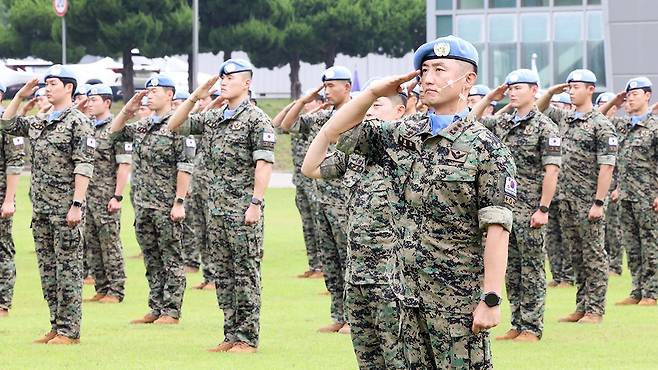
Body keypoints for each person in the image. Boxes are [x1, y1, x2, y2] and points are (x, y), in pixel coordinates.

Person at [317, 35, 516, 368]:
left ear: (469, 80)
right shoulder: (401, 134)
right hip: (402, 297)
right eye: (424, 70)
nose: (428, 78)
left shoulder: (487, 149)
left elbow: (497, 227)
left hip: (455, 300)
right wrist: (371, 94)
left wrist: (491, 298)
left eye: (440, 69)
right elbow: (336, 132)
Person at [167, 59, 276, 353]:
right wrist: (195, 96)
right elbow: (174, 125)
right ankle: (230, 334)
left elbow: (263, 164)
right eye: (221, 77)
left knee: (246, 274)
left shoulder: (256, 119)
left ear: (247, 83)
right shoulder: (214, 118)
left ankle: (247, 338)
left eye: (231, 77)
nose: (224, 81)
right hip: (216, 212)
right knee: (223, 276)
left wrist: (256, 202)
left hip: (242, 211)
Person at [301, 83, 407, 368]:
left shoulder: (407, 148)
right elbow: (310, 168)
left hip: (393, 275)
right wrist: (325, 132)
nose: (370, 111)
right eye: (367, 106)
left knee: (398, 356)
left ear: (400, 111)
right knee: (368, 357)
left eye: (377, 105)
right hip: (358, 272)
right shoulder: (355, 155)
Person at [1, 65, 96, 344]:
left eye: (53, 83)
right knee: (48, 270)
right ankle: (56, 325)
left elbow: (84, 165)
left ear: (69, 88)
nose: (47, 88)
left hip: (66, 208)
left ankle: (70, 331)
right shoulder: (41, 121)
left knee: (68, 269)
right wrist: (19, 96)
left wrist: (77, 203)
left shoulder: (78, 121)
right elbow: (6, 124)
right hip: (42, 209)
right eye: (46, 84)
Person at [474, 69, 561, 342]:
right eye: (509, 87)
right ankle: (517, 322)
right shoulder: (502, 124)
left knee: (532, 269)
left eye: (518, 87)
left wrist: (543, 208)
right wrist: (490, 97)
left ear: (534, 90)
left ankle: (532, 327)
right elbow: (468, 122)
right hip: (505, 209)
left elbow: (551, 171)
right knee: (510, 269)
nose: (512, 92)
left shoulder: (546, 127)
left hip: (531, 209)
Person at [109, 75, 195, 326]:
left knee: (171, 258)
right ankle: (156, 307)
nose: (149, 94)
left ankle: (171, 310)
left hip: (167, 204)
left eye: (155, 90)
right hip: (144, 204)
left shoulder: (179, 125)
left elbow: (185, 166)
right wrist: (127, 110)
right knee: (152, 257)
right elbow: (114, 135)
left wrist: (179, 201)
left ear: (170, 95)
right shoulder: (143, 125)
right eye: (148, 90)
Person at [537, 69, 617, 324]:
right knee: (577, 255)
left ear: (591, 89)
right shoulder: (565, 119)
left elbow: (607, 166)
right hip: (565, 200)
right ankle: (582, 306)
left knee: (594, 255)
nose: (571, 91)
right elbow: (538, 111)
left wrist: (598, 202)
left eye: (576, 87)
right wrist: (551, 92)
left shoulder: (601, 125)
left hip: (588, 202)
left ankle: (595, 310)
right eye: (569, 87)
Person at [279, 66, 353, 334]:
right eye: (325, 85)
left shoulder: (359, 114)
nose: (327, 90)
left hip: (346, 201)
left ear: (347, 87)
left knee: (349, 261)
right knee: (331, 260)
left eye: (332, 85)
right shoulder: (323, 116)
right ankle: (339, 315)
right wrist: (303, 99)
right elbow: (285, 125)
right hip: (322, 199)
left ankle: (355, 319)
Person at [600, 77, 658, 306]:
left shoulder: (654, 127)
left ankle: (652, 293)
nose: (630, 98)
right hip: (625, 196)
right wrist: (614, 101)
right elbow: (596, 119)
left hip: (648, 196)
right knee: (632, 246)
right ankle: (637, 290)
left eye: (635, 94)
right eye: (627, 94)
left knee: (650, 243)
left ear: (647, 96)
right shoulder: (622, 126)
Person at [82, 84, 129, 304]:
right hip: (87, 196)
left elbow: (124, 166)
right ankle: (101, 287)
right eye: (88, 100)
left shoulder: (116, 129)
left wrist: (117, 196)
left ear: (107, 103)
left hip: (106, 194)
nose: (89, 103)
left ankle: (116, 289)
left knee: (109, 242)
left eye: (94, 100)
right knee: (92, 243)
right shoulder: (87, 127)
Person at [272, 91, 325, 279]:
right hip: (301, 181)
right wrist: (294, 104)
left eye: (310, 102)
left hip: (316, 182)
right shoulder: (299, 122)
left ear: (319, 102)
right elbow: (276, 125)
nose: (306, 105)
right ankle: (314, 265)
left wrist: (312, 107)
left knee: (320, 225)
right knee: (307, 224)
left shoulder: (318, 121)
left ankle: (323, 266)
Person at [0, 99, 25, 317]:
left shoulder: (8, 124)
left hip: (0, 195)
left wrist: (9, 199)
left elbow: (15, 164)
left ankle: (2, 302)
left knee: (2, 248)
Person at [596, 92, 624, 276]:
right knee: (601, 230)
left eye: (613, 105)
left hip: (617, 186)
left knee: (614, 230)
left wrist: (619, 187)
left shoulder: (622, 127)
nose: (610, 109)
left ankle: (615, 265)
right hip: (598, 186)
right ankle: (606, 264)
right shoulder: (596, 126)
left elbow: (625, 163)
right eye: (606, 105)